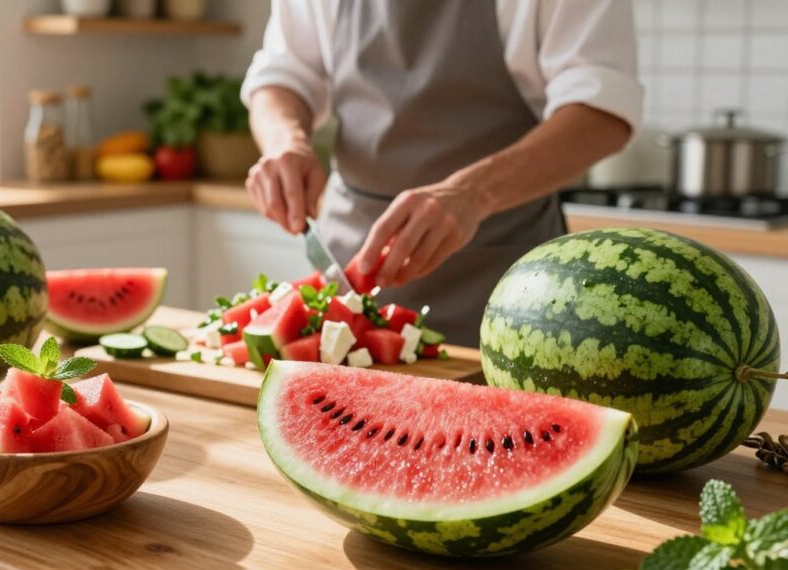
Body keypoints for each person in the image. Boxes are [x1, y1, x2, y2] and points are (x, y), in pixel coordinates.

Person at [242, 0, 642, 347]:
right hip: (349, 252)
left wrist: (472, 192)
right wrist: (286, 142)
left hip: (503, 277)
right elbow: (283, 75)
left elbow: (600, 112)